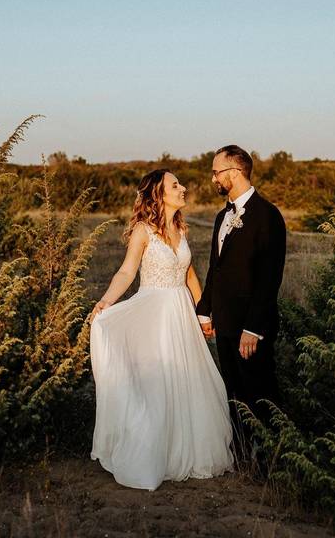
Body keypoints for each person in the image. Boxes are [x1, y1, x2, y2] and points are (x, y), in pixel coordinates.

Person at [88, 169, 234, 490]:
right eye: (175, 185)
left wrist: (204, 314)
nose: (182, 188)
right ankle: (150, 454)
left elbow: (191, 277)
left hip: (181, 313)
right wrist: (105, 301)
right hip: (154, 312)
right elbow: (127, 272)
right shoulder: (143, 231)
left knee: (189, 381)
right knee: (156, 386)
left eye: (180, 183)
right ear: (159, 194)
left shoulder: (181, 229)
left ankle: (185, 451)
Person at [195, 145, 287, 456]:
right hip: (225, 323)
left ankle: (274, 458)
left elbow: (269, 277)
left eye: (216, 172)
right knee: (233, 393)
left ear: (234, 173)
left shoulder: (268, 216)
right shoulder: (223, 216)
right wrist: (205, 311)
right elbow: (215, 269)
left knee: (260, 393)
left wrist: (254, 328)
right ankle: (242, 456)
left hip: (251, 327)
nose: (213, 179)